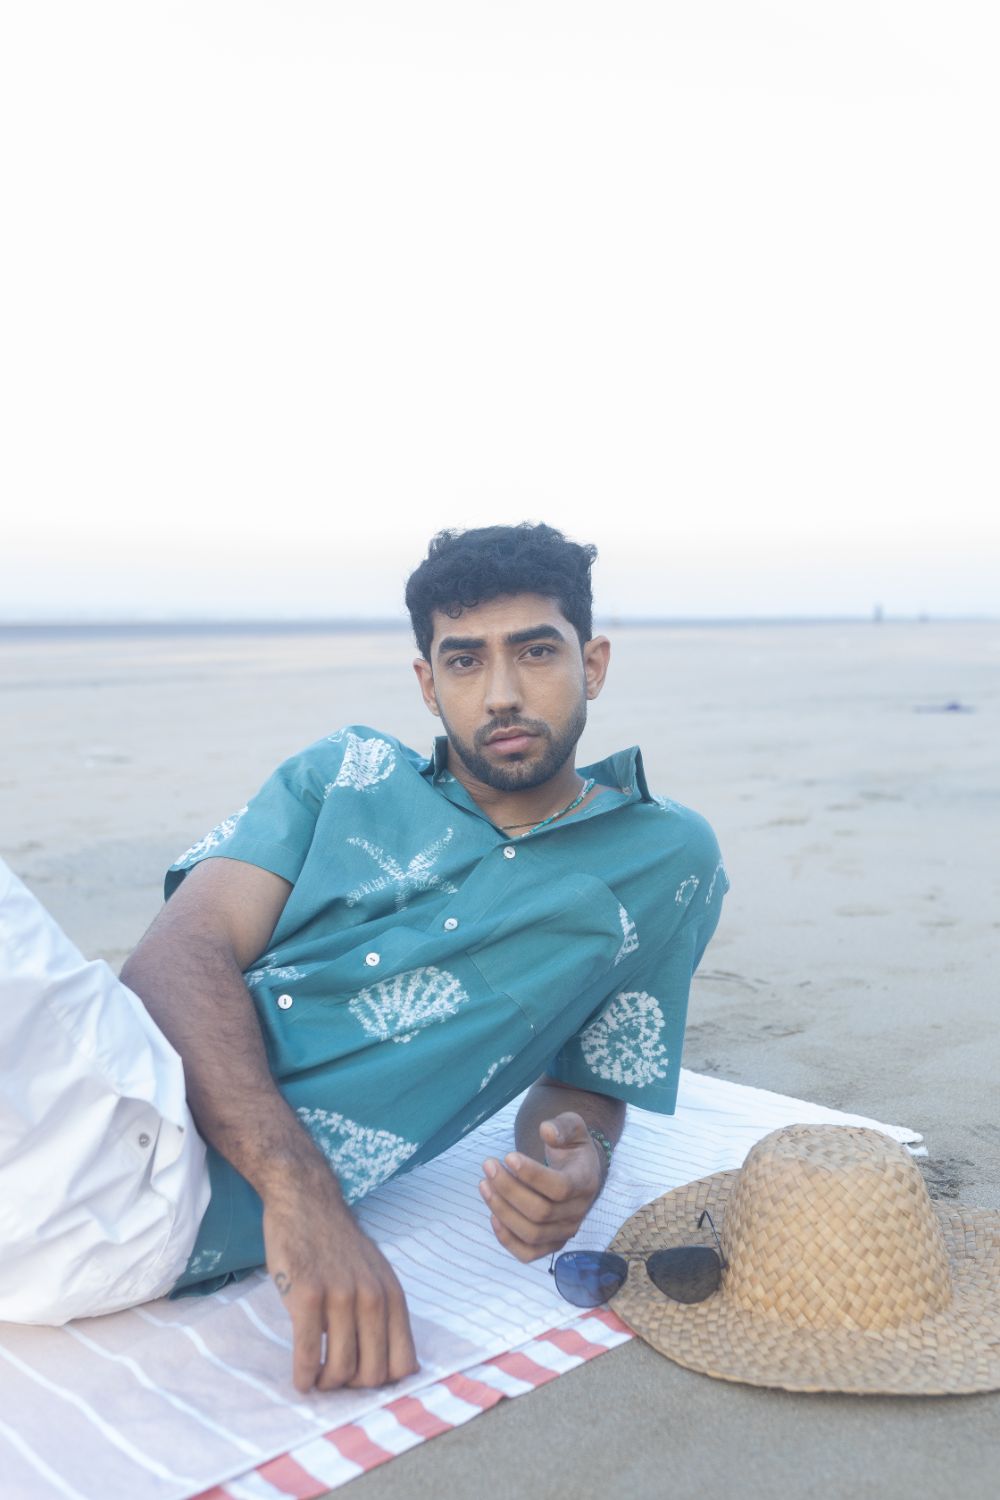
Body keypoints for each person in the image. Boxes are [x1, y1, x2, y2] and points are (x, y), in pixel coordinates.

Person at [0, 523, 727, 1395]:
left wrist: (578, 1162)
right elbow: (177, 956)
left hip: (137, 1188)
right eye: (465, 661)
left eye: (536, 652)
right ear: (428, 683)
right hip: (105, 1075)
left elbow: (588, 1082)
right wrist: (303, 1196)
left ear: (593, 664)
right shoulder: (342, 772)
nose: (501, 694)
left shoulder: (666, 862)